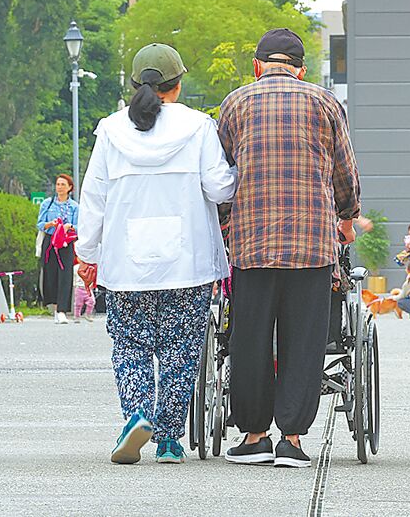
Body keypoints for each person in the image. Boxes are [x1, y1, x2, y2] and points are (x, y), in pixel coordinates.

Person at [75, 43, 236, 465]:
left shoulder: (111, 129)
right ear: (177, 85)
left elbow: (94, 198)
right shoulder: (199, 127)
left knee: (130, 344)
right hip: (189, 261)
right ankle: (168, 439)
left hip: (127, 261)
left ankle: (137, 416)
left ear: (135, 85)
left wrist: (87, 254)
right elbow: (220, 189)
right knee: (181, 350)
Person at [217, 28, 361, 469]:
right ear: (300, 69)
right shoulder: (325, 102)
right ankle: (293, 441)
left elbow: (221, 174)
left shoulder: (235, 103)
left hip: (251, 244)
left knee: (250, 339)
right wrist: (348, 216)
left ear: (258, 65)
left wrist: (225, 222)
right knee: (304, 341)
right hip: (312, 244)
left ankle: (254, 435)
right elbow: (344, 170)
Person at [37, 174, 79, 324]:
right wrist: (51, 224)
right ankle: (54, 305)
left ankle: (62, 310)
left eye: (63, 184)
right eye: (58, 184)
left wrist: (69, 227)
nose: (59, 187)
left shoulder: (74, 207)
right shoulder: (47, 204)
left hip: (65, 243)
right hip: (50, 241)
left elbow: (79, 227)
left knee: (65, 275)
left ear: (69, 188)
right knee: (50, 274)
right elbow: (40, 224)